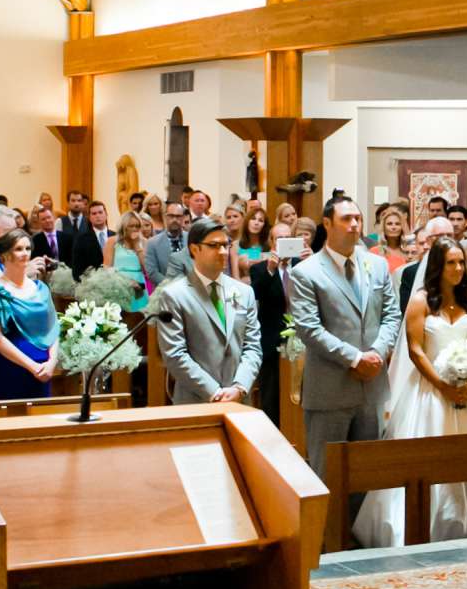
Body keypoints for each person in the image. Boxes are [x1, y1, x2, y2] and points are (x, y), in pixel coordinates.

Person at [354, 238, 467, 546]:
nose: (458, 269)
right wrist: (443, 386)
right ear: (438, 265)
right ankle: (424, 524)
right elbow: (416, 349)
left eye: (461, 262)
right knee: (428, 455)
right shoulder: (422, 301)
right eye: (451, 263)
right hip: (429, 391)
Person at [286, 198, 404, 480]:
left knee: (369, 476)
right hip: (330, 389)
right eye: (346, 219)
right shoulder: (307, 272)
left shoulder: (376, 265)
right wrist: (355, 358)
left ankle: (361, 527)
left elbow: (391, 315)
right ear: (327, 224)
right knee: (328, 476)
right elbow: (309, 329)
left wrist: (376, 352)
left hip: (372, 386)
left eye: (357, 219)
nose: (354, 225)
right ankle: (329, 527)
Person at [150, 219, 259, 407]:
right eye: (214, 246)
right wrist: (214, 392)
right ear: (194, 249)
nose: (223, 252)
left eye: (226, 245)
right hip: (196, 400)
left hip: (239, 400)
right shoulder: (175, 295)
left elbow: (253, 346)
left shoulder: (244, 292)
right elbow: (175, 354)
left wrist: (239, 387)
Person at [0, 231, 57, 402]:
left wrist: (52, 361)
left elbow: (53, 328)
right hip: (10, 366)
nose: (25, 253)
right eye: (18, 249)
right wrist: (32, 367)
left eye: (28, 248)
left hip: (44, 367)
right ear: (5, 255)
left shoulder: (41, 288)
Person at [244, 219, 292, 424]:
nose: (285, 242)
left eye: (289, 238)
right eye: (280, 239)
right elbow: (254, 294)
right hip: (272, 340)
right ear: (272, 243)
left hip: (302, 338)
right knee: (271, 396)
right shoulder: (261, 269)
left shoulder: (305, 266)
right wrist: (271, 270)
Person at [144, 201, 191, 285]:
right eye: (171, 216)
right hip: (164, 291)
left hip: (190, 289)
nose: (174, 219)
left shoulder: (191, 239)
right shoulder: (152, 243)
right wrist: (172, 286)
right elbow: (152, 272)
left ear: (183, 218)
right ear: (166, 217)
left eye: (178, 216)